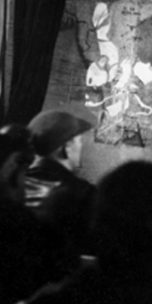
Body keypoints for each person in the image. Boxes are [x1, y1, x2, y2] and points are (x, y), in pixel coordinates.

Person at [24, 109, 97, 256]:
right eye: (79, 141)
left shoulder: (15, 184)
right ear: (67, 147)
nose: (81, 147)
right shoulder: (82, 193)